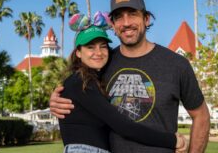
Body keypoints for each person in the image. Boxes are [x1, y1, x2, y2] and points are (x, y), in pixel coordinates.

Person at [51, 0, 210, 153]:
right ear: (112, 25)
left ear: (146, 19)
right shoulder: (102, 63)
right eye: (118, 16)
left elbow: (201, 115)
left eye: (133, 14)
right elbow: (78, 88)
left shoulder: (177, 64)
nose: (126, 23)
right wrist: (56, 97)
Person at [60, 22, 187, 153]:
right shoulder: (80, 82)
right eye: (90, 47)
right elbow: (124, 127)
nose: (98, 52)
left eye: (103, 47)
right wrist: (172, 140)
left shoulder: (88, 80)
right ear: (79, 52)